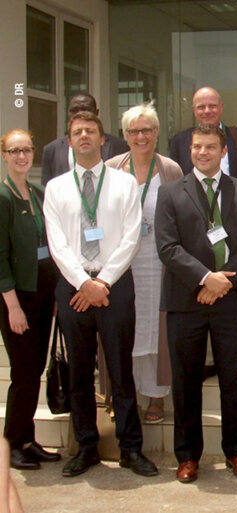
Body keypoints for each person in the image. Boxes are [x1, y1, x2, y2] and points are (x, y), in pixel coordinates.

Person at [43, 111, 157, 478]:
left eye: (90, 131)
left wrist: (103, 282)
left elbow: (131, 236)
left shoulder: (124, 184)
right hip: (74, 286)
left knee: (121, 370)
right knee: (79, 373)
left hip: (115, 285)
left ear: (103, 139)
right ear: (70, 141)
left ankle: (130, 449)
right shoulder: (57, 188)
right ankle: (87, 447)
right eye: (77, 132)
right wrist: (83, 283)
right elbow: (57, 244)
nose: (84, 137)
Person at [155, 124, 237, 483]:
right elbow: (167, 247)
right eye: (197, 147)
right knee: (185, 381)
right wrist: (204, 278)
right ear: (189, 150)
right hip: (186, 299)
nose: (203, 152)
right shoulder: (170, 192)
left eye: (210, 147)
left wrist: (220, 283)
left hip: (230, 298)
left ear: (223, 150)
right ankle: (187, 456)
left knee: (235, 377)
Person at [105, 103, 183, 424]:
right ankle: (124, 393)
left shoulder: (171, 170)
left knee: (156, 328)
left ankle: (155, 395)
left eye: (147, 130)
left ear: (156, 133)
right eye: (134, 131)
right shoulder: (110, 168)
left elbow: (181, 218)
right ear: (125, 135)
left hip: (158, 263)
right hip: (121, 264)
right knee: (124, 325)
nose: (141, 136)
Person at [0, 130, 60, 470]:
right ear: (4, 156)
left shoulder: (38, 193)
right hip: (16, 299)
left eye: (26, 150)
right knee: (23, 372)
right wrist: (12, 307)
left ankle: (28, 439)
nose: (21, 156)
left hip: (42, 294)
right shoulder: (3, 197)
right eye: (14, 151)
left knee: (34, 369)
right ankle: (12, 445)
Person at [169, 86, 237, 212]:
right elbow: (175, 186)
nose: (207, 111)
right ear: (193, 110)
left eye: (212, 106)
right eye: (201, 107)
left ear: (221, 107)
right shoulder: (180, 141)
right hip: (193, 217)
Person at [41, 94, 129, 185]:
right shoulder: (51, 150)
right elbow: (45, 187)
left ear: (96, 112)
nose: (80, 114)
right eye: (74, 110)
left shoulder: (119, 146)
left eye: (85, 109)